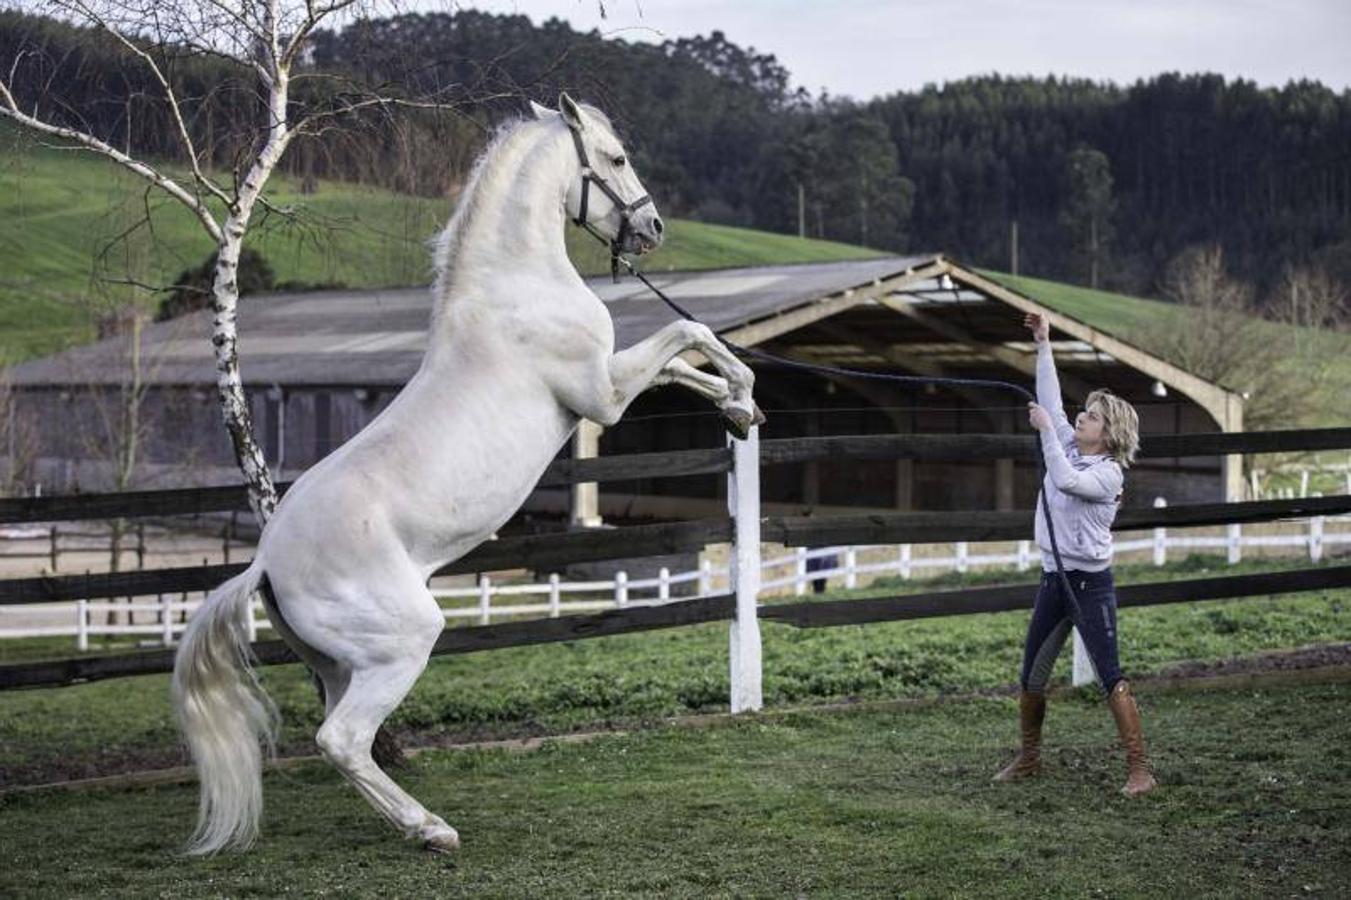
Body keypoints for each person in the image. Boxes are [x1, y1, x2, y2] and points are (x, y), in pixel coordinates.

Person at [994, 311, 1157, 797]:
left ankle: (1140, 769)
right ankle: (1029, 758)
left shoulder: (1108, 474)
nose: (1077, 418)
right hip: (1053, 581)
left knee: (1111, 676)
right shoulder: (1071, 445)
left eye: (1089, 417)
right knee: (1031, 676)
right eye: (1081, 415)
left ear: (1107, 435)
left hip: (1089, 586)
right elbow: (1050, 405)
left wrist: (1046, 430)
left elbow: (1065, 478)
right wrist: (1044, 345)